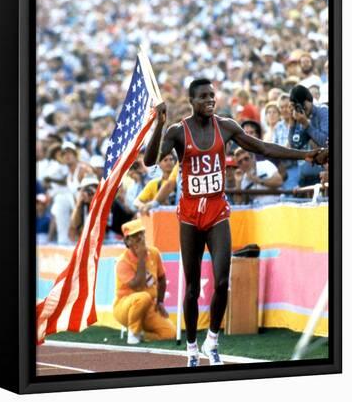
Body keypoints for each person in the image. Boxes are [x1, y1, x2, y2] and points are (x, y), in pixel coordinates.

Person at [143, 78, 324, 367]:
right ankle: (191, 349)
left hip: (217, 210)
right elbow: (150, 161)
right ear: (192, 101)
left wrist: (307, 155)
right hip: (190, 215)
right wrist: (158, 124)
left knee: (223, 280)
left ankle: (212, 342)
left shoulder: (225, 126)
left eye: (212, 96)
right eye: (203, 97)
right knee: (191, 288)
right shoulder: (178, 132)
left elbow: (263, 147)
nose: (210, 101)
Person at [113, 219, 176, 345]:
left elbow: (162, 279)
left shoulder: (154, 253)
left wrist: (160, 302)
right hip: (125, 307)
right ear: (127, 241)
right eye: (135, 236)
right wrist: (141, 258)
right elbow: (138, 285)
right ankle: (133, 332)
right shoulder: (122, 262)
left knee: (170, 333)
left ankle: (142, 334)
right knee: (143, 297)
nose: (140, 238)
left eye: (141, 234)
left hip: (148, 306)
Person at [289, 85, 329, 187]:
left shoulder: (323, 111)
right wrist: (292, 124)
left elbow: (325, 141)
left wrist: (306, 125)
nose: (301, 108)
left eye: (303, 104)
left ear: (309, 100)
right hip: (308, 176)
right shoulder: (301, 116)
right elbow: (295, 146)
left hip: (324, 173)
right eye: (298, 105)